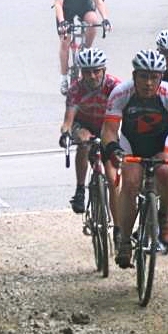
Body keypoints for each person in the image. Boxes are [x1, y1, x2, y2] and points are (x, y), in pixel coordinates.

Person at [101, 49, 168, 267]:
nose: (148, 83)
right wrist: (113, 149)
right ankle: (125, 241)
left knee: (166, 169)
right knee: (129, 183)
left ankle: (167, 215)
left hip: (163, 141)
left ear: (161, 77)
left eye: (154, 77)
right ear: (134, 75)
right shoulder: (121, 93)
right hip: (133, 142)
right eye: (143, 76)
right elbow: (110, 129)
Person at [58, 47, 121, 215]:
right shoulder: (75, 89)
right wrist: (65, 134)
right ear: (81, 73)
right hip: (83, 125)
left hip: (107, 127)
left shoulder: (115, 86)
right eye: (87, 72)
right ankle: (80, 191)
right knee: (84, 144)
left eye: (96, 71)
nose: (92, 76)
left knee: (112, 176)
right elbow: (68, 121)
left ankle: (119, 228)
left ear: (104, 70)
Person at [54, 0, 112, 95]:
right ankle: (63, 78)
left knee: (93, 21)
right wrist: (62, 22)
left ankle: (86, 49)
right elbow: (58, 4)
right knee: (64, 41)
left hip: (83, 5)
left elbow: (98, 1)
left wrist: (105, 19)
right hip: (66, 9)